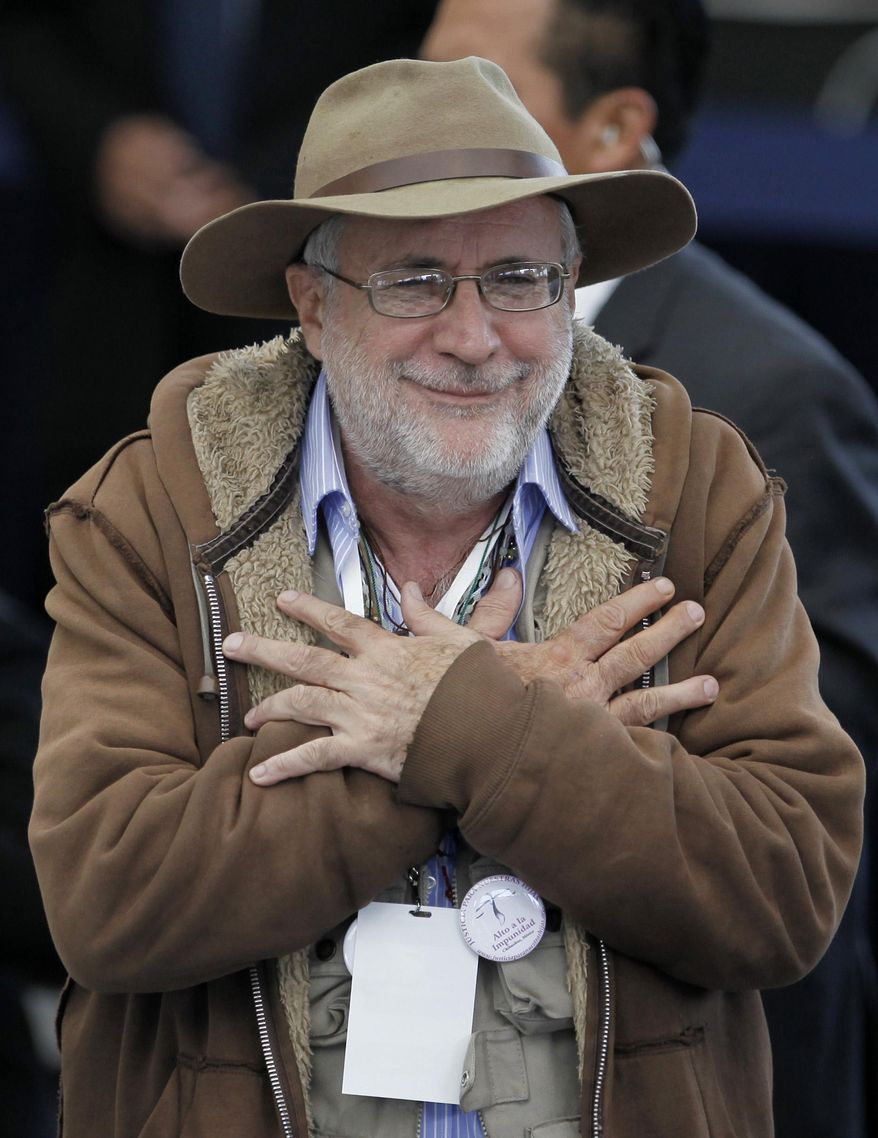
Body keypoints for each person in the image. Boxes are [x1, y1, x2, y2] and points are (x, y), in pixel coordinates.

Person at [34, 57, 863, 1138]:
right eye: (415, 280)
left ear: (569, 289)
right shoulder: (155, 505)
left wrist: (453, 722)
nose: (474, 338)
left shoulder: (696, 491)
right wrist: (479, 733)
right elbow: (110, 898)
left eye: (519, 279)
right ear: (313, 307)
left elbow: (783, 891)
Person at [421, 5, 878, 1136]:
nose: (419, 120)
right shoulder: (379, 360)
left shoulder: (768, 393)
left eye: (472, 85)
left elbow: (818, 766)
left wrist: (503, 721)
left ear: (612, 129)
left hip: (679, 1056)